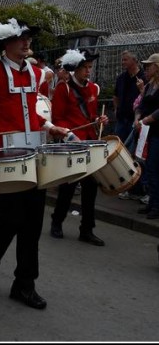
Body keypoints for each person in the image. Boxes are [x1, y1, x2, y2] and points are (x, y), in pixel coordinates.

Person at [0, 17, 69, 309]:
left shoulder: (35, 74)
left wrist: (49, 127)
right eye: (21, 38)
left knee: (33, 224)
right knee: (10, 220)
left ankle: (24, 284)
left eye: (29, 38)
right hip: (5, 160)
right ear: (5, 43)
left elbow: (32, 113)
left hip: (34, 158)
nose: (27, 43)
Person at [49, 48, 109, 246]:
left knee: (91, 188)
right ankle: (57, 222)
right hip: (72, 145)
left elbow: (90, 117)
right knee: (68, 187)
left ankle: (87, 230)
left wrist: (99, 120)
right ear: (75, 69)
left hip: (89, 143)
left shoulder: (93, 89)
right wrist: (70, 134)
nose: (88, 71)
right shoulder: (63, 89)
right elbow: (57, 119)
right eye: (85, 68)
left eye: (90, 67)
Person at [133, 53, 159, 220]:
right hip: (147, 132)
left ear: (157, 67)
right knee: (149, 167)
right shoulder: (150, 85)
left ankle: (156, 206)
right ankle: (151, 202)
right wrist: (137, 118)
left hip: (157, 132)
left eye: (149, 65)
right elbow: (141, 105)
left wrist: (148, 119)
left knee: (155, 168)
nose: (146, 68)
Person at [113, 51, 145, 143]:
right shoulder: (121, 78)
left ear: (134, 60)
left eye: (125, 60)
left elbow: (147, 98)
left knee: (132, 146)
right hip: (122, 118)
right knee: (118, 144)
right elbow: (115, 96)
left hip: (135, 119)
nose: (122, 62)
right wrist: (116, 109)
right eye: (122, 60)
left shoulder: (143, 77)